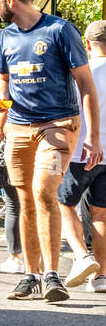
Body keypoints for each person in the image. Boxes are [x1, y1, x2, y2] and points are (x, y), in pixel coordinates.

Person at [0, 0, 102, 302]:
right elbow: (2, 79)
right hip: (18, 126)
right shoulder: (6, 36)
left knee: (44, 190)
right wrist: (1, 98)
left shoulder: (60, 30)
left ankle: (52, 275)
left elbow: (86, 85)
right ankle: (31, 275)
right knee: (25, 199)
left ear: (10, 1)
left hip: (59, 124)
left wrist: (94, 136)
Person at [56, 19, 106, 291]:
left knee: (63, 205)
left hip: (81, 152)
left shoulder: (83, 72)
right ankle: (100, 277)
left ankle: (81, 256)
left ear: (87, 44)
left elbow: (68, 110)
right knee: (101, 214)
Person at [0, 110, 24, 273]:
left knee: (14, 207)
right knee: (38, 208)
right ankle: (37, 258)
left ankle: (16, 257)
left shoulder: (10, 97)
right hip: (39, 154)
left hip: (12, 154)